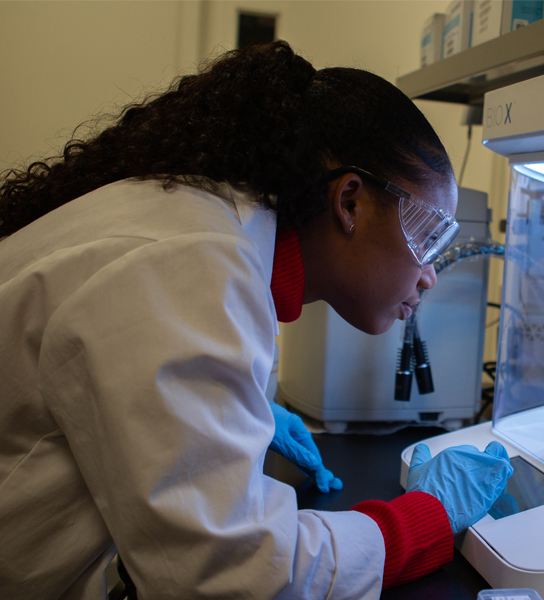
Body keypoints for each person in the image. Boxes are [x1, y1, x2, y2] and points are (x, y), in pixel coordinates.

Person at [0, 41, 513, 599]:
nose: (430, 274)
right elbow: (231, 577)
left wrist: (231, 413)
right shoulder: (193, 260)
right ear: (350, 203)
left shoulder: (204, 229)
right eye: (430, 234)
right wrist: (421, 520)